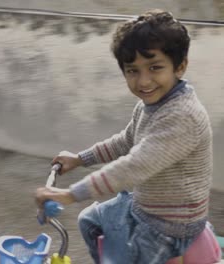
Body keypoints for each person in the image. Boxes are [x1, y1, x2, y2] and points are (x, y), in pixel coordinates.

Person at [35, 9, 213, 264]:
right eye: (132, 70)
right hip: (143, 205)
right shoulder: (149, 105)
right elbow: (125, 141)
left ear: (180, 66)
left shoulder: (183, 117)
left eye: (155, 68)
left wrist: (69, 194)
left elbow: (134, 166)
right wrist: (79, 158)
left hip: (170, 225)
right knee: (88, 221)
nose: (143, 81)